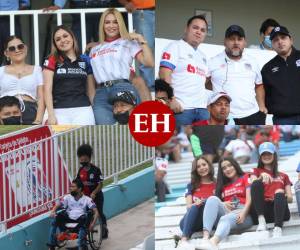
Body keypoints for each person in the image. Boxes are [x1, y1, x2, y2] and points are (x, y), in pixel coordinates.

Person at [88, 8, 154, 124]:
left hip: (122, 86)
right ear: (102, 25)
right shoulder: (94, 49)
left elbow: (149, 63)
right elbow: (92, 76)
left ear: (120, 24)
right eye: (107, 22)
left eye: (115, 22)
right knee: (104, 125)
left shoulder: (127, 42)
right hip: (101, 92)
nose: (111, 26)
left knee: (129, 124)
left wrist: (141, 39)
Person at [208, 25, 267, 125]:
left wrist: (261, 106)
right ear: (225, 42)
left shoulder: (253, 61)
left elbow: (259, 85)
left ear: (244, 42)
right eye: (232, 39)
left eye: (239, 39)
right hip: (225, 117)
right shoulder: (213, 62)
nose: (236, 43)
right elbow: (203, 83)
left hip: (253, 115)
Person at [159, 15, 210, 126]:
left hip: (202, 110)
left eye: (203, 30)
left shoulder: (203, 56)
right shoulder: (174, 47)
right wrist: (171, 99)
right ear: (186, 29)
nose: (199, 32)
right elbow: (164, 75)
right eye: (195, 28)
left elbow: (202, 81)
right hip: (181, 109)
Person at [43, 25, 95, 125]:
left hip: (83, 110)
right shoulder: (51, 60)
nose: (62, 40)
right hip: (59, 110)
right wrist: (51, 114)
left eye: (65, 36)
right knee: (60, 140)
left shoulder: (85, 59)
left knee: (84, 140)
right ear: (55, 44)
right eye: (58, 39)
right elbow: (47, 90)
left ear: (72, 37)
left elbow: (91, 91)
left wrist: (93, 109)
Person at [198, 157, 253, 250]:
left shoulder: (245, 177)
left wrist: (243, 213)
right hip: (228, 213)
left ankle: (213, 243)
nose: (227, 169)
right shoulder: (223, 186)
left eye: (229, 166)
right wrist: (223, 203)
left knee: (225, 218)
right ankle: (205, 238)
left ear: (235, 165)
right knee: (212, 199)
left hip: (244, 214)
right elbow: (218, 204)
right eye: (224, 168)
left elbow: (250, 199)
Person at [250, 142, 292, 237]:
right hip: (263, 210)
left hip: (280, 211)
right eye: (263, 154)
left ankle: (278, 228)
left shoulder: (284, 176)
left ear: (274, 155)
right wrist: (260, 177)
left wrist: (281, 195)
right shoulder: (255, 171)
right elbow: (253, 183)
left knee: (279, 192)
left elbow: (290, 199)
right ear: (260, 157)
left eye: (269, 153)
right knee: (256, 183)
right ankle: (261, 220)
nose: (266, 156)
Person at [0, 36, 44, 124]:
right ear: (6, 53)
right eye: (12, 48)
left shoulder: (37, 69)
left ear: (25, 48)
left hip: (30, 111)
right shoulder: (1, 71)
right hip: (5, 113)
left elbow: (41, 98)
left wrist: (38, 120)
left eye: (20, 46)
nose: (17, 50)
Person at [44, 0, 121, 50]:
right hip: (80, 7)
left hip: (104, 7)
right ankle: (80, 73)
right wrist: (58, 5)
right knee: (78, 46)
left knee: (107, 46)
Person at [261, 26, 300, 124]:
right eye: (275, 40)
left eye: (283, 38)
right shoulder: (267, 68)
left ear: (291, 40)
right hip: (283, 119)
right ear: (272, 45)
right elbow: (266, 95)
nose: (280, 42)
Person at [47, 179, 99, 250]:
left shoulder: (87, 199)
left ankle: (81, 245)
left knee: (86, 218)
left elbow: (96, 212)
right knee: (56, 219)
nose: (70, 188)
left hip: (80, 220)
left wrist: (92, 224)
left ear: (80, 189)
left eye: (73, 187)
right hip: (68, 218)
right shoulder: (67, 197)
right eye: (70, 186)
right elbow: (58, 205)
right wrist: (53, 211)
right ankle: (52, 244)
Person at [177, 156, 215, 249]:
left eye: (204, 164)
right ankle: (183, 241)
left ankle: (183, 239)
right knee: (194, 207)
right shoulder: (191, 185)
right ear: (196, 170)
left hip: (207, 222)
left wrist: (204, 201)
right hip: (189, 221)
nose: (202, 168)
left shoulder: (217, 183)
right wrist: (196, 204)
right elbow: (189, 207)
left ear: (209, 166)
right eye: (198, 166)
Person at [118, 0, 155, 90]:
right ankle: (148, 86)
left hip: (154, 10)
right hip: (143, 11)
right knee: (146, 48)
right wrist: (126, 3)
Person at [75, 144, 108, 239]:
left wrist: (94, 192)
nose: (83, 162)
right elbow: (78, 183)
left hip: (97, 196)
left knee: (99, 213)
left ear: (89, 159)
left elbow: (100, 184)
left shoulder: (96, 170)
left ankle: (104, 229)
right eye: (81, 160)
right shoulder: (80, 170)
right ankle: (85, 233)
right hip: (86, 198)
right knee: (86, 215)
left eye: (85, 160)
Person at [0, 0, 30, 65]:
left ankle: (13, 73)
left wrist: (15, 11)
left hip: (10, 18)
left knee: (13, 48)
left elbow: (25, 4)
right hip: (8, 18)